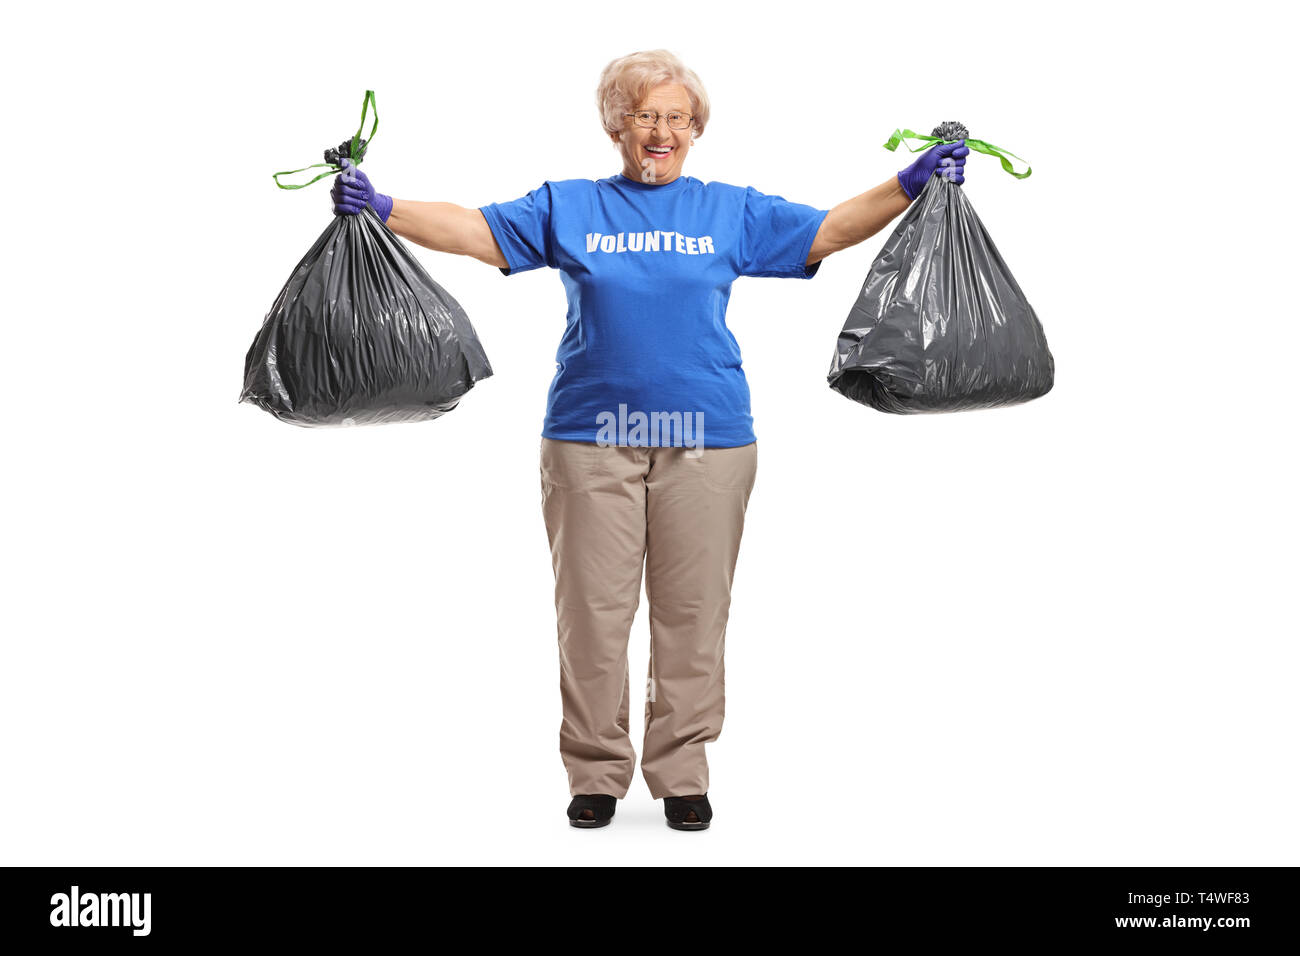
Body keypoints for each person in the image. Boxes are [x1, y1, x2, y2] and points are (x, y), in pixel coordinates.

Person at [331, 50, 968, 831]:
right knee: (592, 617)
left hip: (708, 439)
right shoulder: (570, 207)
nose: (660, 131)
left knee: (692, 615)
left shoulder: (729, 211)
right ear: (616, 127)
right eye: (644, 116)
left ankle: (683, 773)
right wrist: (383, 204)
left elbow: (830, 230)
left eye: (676, 118)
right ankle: (595, 772)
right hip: (589, 437)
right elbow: (472, 231)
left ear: (696, 130)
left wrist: (909, 184)